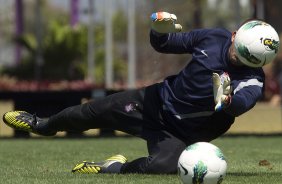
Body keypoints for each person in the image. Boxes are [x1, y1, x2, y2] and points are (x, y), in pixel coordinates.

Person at [2, 12, 280, 174]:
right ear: (234, 36)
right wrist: (159, 31)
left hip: (181, 135)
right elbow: (164, 44)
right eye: (239, 53)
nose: (239, 60)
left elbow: (242, 103)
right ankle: (42, 124)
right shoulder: (213, 37)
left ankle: (111, 167)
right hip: (153, 102)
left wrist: (227, 101)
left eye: (248, 60)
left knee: (162, 167)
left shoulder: (253, 80)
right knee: (90, 112)